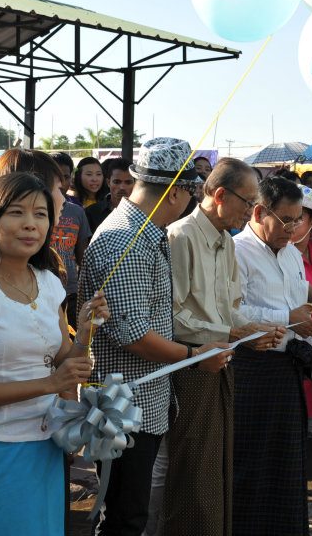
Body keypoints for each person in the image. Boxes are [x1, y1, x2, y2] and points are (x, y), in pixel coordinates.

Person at [79, 139, 232, 535]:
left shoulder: (146, 232)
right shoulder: (124, 239)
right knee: (124, 518)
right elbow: (132, 335)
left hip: (140, 402)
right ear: (176, 192)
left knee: (130, 513)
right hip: (124, 405)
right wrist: (195, 355)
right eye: (190, 191)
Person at [0, 173, 101, 535]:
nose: (30, 224)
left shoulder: (49, 282)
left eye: (41, 214)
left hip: (47, 447)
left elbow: (63, 361)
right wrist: (48, 384)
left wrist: (85, 333)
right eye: (16, 212)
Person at [165, 157, 281, 536]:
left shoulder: (227, 242)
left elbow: (230, 307)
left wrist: (251, 330)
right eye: (247, 202)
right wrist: (234, 332)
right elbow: (173, 315)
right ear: (219, 195)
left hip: (221, 363)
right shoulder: (181, 236)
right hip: (190, 365)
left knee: (217, 466)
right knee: (193, 472)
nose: (250, 212)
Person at [232, 177, 312, 535]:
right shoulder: (237, 251)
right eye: (285, 220)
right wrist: (288, 318)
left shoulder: (292, 253)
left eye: (298, 221)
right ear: (259, 212)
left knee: (289, 463)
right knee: (251, 463)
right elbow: (231, 312)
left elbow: (299, 299)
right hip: (252, 370)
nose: (293, 230)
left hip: (288, 370)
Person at [49, 164, 91, 327]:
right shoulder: (38, 209)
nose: (61, 183)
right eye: (55, 178)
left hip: (70, 288)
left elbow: (82, 255)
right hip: (43, 286)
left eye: (66, 177)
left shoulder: (77, 212)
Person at [85, 157, 134, 232]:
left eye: (128, 182)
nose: (122, 187)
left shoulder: (143, 212)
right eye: (117, 182)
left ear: (135, 184)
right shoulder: (92, 212)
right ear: (108, 182)